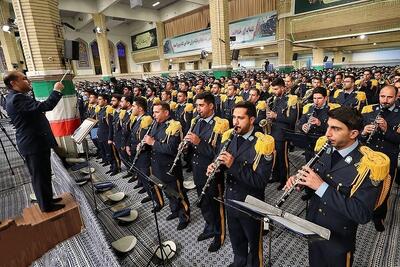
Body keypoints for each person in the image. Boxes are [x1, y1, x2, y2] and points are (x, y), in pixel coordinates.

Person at [285, 106, 389, 267]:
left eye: (335, 129)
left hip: (338, 239)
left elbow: (362, 214)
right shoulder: (325, 149)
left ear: (353, 133)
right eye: (328, 126)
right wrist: (303, 182)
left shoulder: (368, 164)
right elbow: (314, 183)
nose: (327, 133)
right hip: (313, 227)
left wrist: (320, 186)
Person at [207, 101, 274, 267]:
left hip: (251, 204)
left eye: (240, 118)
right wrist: (215, 169)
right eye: (234, 117)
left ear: (252, 120)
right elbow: (221, 164)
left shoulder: (263, 143)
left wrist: (233, 165)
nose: (235, 122)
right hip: (230, 199)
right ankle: (239, 262)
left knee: (254, 243)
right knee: (237, 239)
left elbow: (261, 182)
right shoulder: (229, 136)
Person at [4, 71, 65, 212]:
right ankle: (46, 206)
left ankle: (47, 199)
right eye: (24, 79)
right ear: (13, 83)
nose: (27, 80)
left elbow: (35, 111)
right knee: (39, 176)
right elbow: (45, 106)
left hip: (35, 142)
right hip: (33, 143)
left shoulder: (15, 97)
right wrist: (56, 90)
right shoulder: (17, 98)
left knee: (43, 173)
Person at [185, 92, 228, 252]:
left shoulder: (221, 124)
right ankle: (209, 226)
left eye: (201, 105)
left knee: (216, 205)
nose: (198, 108)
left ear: (211, 106)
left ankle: (219, 234)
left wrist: (198, 142)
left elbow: (218, 153)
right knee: (203, 201)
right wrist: (185, 147)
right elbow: (193, 145)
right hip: (197, 168)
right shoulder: (197, 121)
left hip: (212, 171)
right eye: (197, 105)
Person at [143, 102, 191, 230]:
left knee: (177, 193)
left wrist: (152, 142)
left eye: (157, 112)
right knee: (167, 192)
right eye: (153, 112)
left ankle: (184, 216)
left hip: (169, 167)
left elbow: (172, 149)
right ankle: (175, 210)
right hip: (157, 165)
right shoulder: (155, 124)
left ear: (166, 113)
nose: (154, 115)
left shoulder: (174, 125)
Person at [360, 85, 400, 231]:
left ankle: (379, 217)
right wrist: (364, 132)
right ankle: (364, 210)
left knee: (384, 190)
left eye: (389, 97)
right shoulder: (370, 110)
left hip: (388, 158)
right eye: (382, 96)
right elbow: (358, 135)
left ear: (396, 97)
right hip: (368, 156)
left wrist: (386, 130)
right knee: (365, 186)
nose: (385, 100)